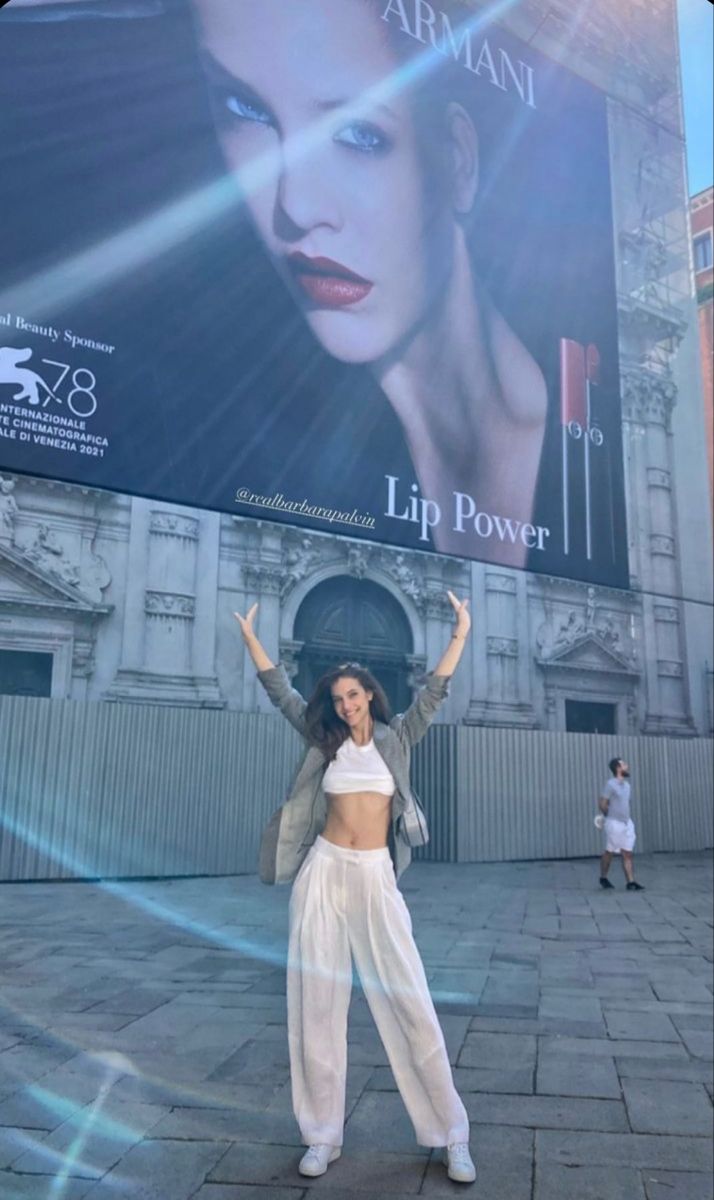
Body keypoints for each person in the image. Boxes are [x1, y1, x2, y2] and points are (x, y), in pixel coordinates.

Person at [193, 0, 548, 569]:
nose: (296, 205)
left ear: (457, 162)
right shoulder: (228, 439)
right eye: (245, 107)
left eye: (360, 134)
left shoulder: (591, 464)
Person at [233, 589, 476, 1183]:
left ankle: (452, 1135)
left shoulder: (397, 737)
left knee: (410, 1002)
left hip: (375, 877)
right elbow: (283, 695)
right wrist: (252, 642)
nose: (344, 705)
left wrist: (459, 634)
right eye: (337, 697)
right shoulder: (325, 744)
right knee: (317, 1007)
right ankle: (322, 1136)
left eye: (352, 695)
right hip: (322, 873)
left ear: (370, 695)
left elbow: (435, 691)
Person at [598, 757, 644, 891]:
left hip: (627, 823)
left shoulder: (627, 785)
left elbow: (626, 803)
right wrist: (609, 817)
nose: (627, 766)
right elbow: (602, 803)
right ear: (618, 768)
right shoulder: (610, 784)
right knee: (610, 852)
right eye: (624, 764)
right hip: (614, 823)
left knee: (627, 853)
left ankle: (631, 882)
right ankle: (603, 877)